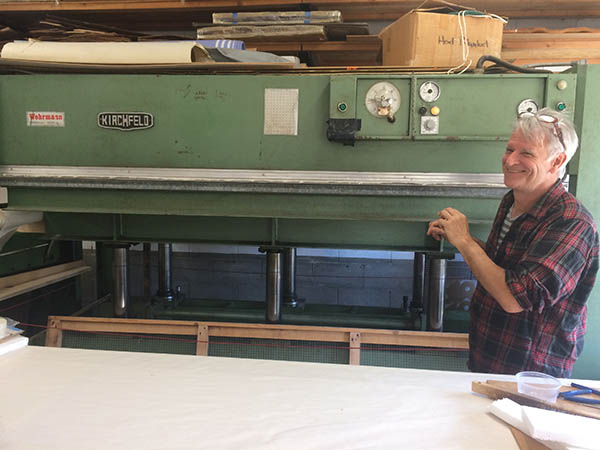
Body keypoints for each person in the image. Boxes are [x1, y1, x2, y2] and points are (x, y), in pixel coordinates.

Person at [427, 108, 599, 377]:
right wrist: (460, 238)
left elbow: (515, 298)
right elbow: (502, 268)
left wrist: (465, 242)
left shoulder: (571, 222)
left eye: (526, 153)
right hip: (489, 356)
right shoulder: (513, 201)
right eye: (509, 149)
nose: (510, 160)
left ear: (557, 161)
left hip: (532, 373)